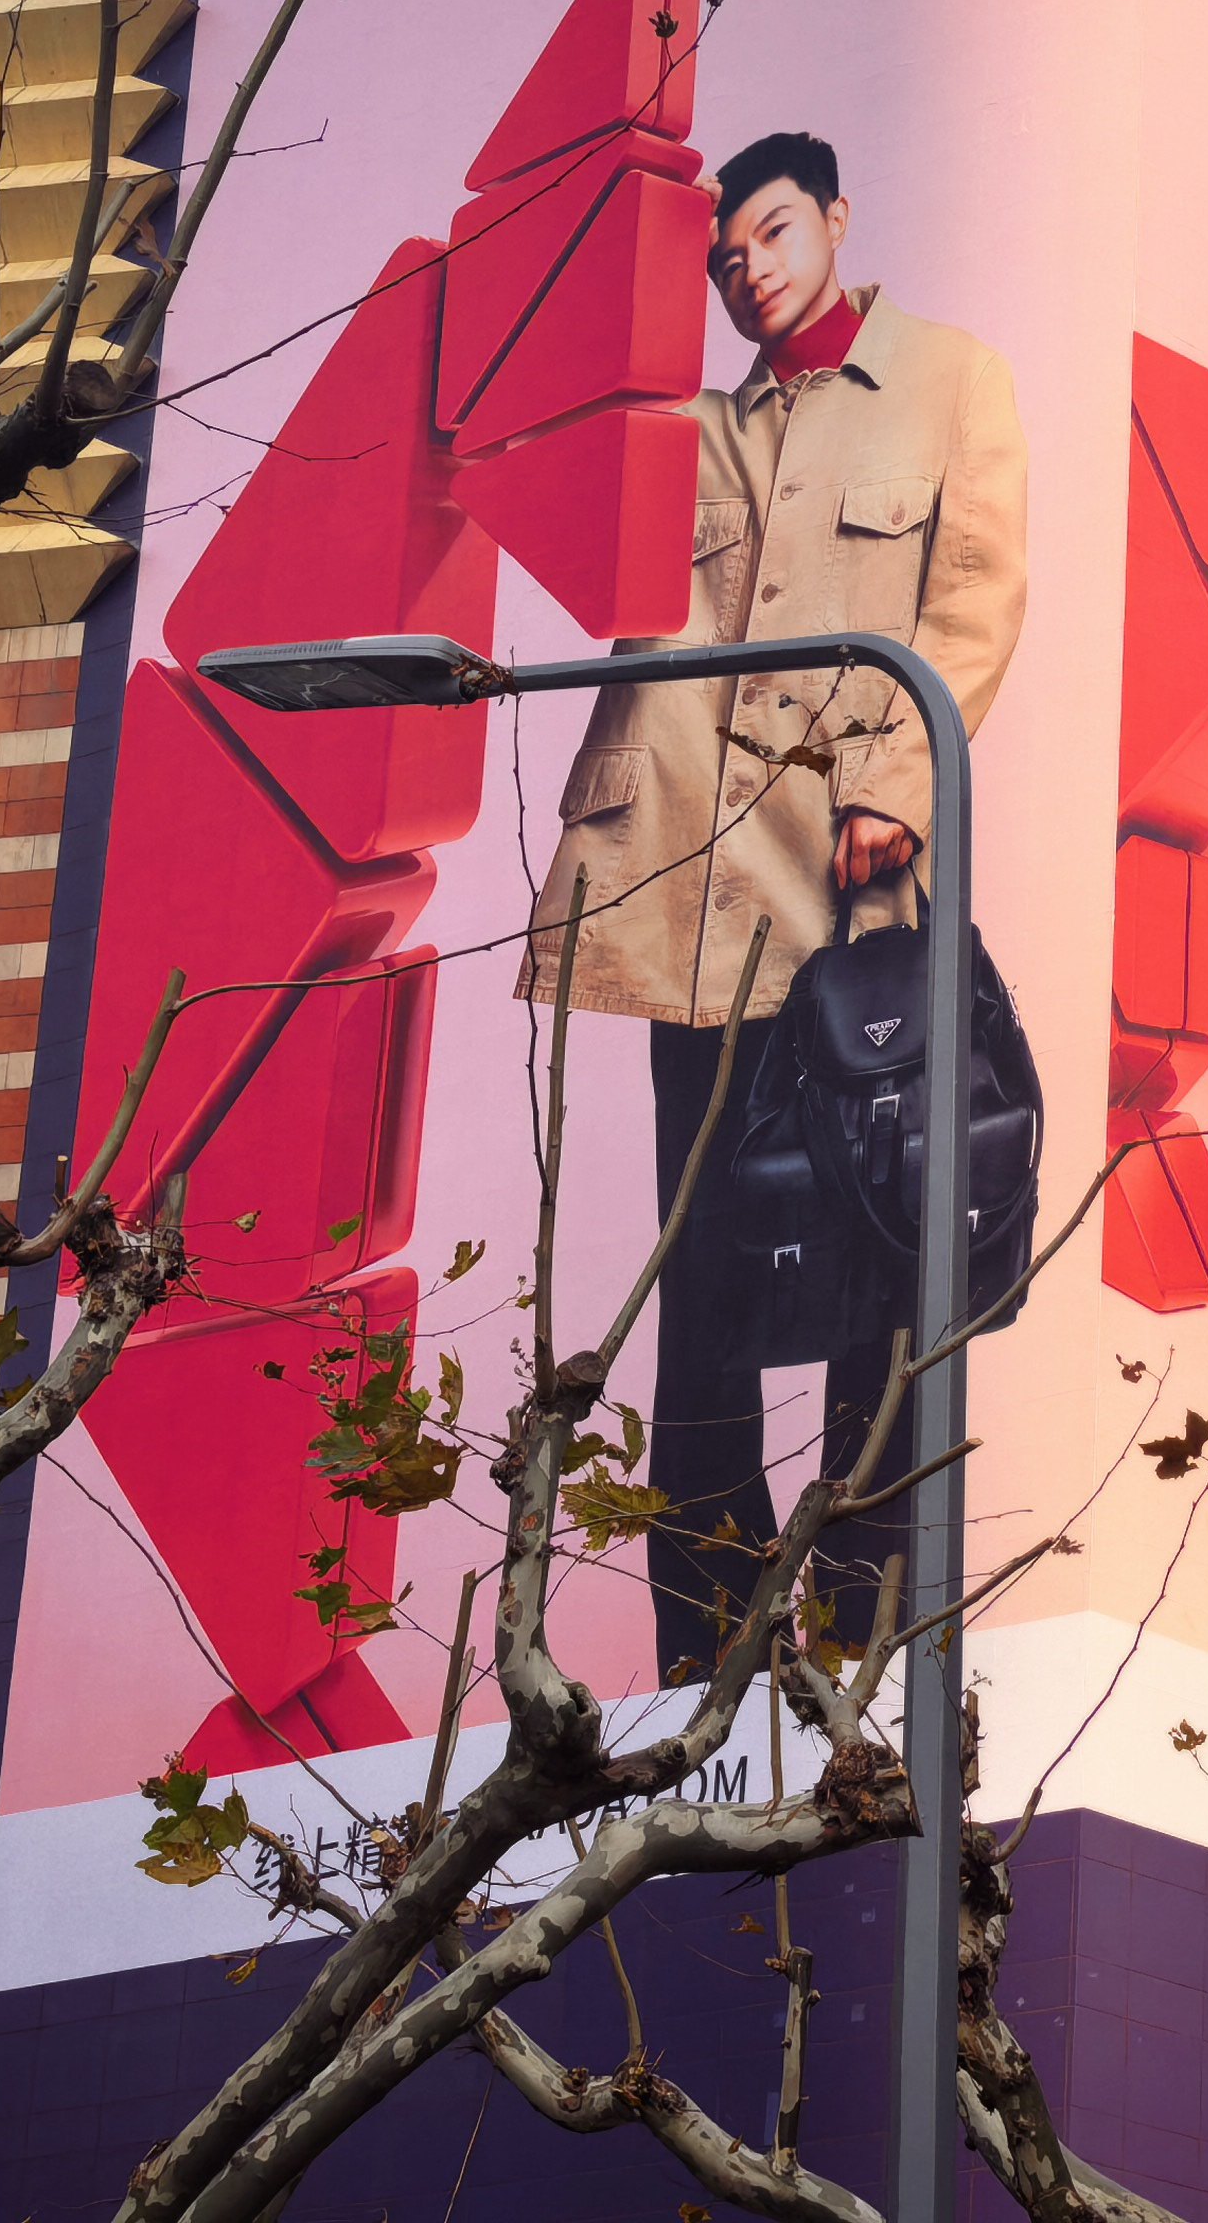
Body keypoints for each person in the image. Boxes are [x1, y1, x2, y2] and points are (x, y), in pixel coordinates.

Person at [523, 128, 1028, 1683]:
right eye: (724, 255)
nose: (750, 269)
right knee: (706, 1269)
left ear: (837, 220)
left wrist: (900, 783)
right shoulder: (682, 431)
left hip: (854, 897)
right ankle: (705, 1644)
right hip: (691, 894)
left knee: (882, 1244)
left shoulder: (952, 380)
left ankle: (865, 1621)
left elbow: (975, 602)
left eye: (776, 231)